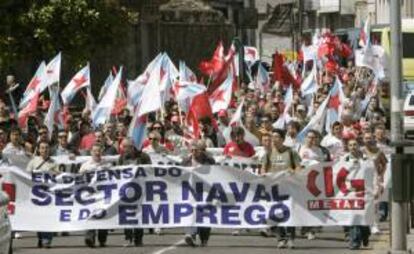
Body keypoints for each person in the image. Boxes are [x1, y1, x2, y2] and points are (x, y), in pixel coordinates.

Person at [260, 128, 301, 249]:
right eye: (273, 137)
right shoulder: (268, 154)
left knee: (290, 213)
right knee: (274, 213)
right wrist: (263, 174)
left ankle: (291, 238)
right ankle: (280, 238)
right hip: (274, 189)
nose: (274, 139)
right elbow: (263, 169)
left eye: (276, 137)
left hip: (289, 187)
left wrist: (292, 171)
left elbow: (299, 168)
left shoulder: (290, 152)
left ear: (282, 139)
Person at [182, 140, 215, 247]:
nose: (194, 152)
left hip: (205, 191)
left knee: (204, 216)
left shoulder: (209, 161)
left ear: (201, 151)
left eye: (196, 150)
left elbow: (216, 174)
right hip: (190, 192)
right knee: (191, 212)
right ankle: (190, 234)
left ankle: (204, 238)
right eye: (192, 150)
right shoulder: (185, 161)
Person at [26, 141, 58, 248]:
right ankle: (41, 237)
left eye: (46, 148)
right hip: (37, 195)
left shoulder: (53, 162)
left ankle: (47, 239)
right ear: (39, 150)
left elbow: (58, 177)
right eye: (42, 148)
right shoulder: (33, 162)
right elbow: (26, 175)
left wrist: (56, 173)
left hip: (49, 196)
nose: (44, 150)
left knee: (48, 217)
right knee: (39, 218)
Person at [118, 138, 150, 247]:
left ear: (133, 146)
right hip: (127, 190)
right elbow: (118, 172)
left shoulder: (143, 157)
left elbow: (150, 170)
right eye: (124, 147)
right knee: (127, 214)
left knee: (139, 214)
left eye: (129, 147)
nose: (126, 149)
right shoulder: (122, 158)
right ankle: (128, 237)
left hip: (141, 189)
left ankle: (138, 238)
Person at [79, 143, 112, 248]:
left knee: (103, 216)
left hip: (103, 195)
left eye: (99, 151)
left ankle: (102, 239)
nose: (97, 153)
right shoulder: (85, 165)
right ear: (91, 152)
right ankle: (90, 238)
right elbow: (78, 179)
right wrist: (83, 172)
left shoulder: (107, 165)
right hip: (90, 194)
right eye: (95, 151)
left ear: (102, 152)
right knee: (90, 215)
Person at [342, 138, 371, 250]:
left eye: (355, 145)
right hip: (350, 191)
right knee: (353, 216)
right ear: (348, 147)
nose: (353, 147)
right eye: (350, 145)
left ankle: (365, 233)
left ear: (359, 146)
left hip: (363, 191)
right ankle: (355, 241)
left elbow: (372, 173)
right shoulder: (344, 159)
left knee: (363, 217)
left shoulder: (366, 158)